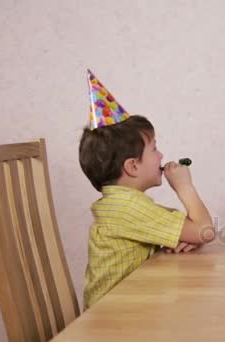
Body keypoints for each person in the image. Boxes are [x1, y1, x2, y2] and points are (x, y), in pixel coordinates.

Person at [80, 71, 214, 309]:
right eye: (154, 149)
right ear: (132, 166)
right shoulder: (129, 207)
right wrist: (184, 186)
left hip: (125, 308)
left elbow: (193, 231)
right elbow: (205, 231)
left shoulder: (119, 203)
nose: (161, 156)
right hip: (113, 320)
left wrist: (187, 236)